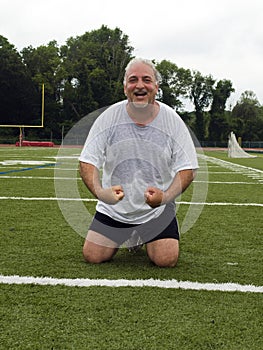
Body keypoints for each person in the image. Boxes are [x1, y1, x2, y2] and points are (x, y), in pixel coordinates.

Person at [79, 57, 198, 267]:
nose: (140, 85)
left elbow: (187, 168)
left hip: (156, 210)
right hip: (115, 209)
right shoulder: (108, 118)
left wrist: (165, 197)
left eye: (147, 80)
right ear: (125, 87)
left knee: (166, 259)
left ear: (156, 87)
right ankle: (128, 234)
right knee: (93, 256)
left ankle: (145, 235)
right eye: (133, 80)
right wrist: (100, 192)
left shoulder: (172, 120)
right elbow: (87, 161)